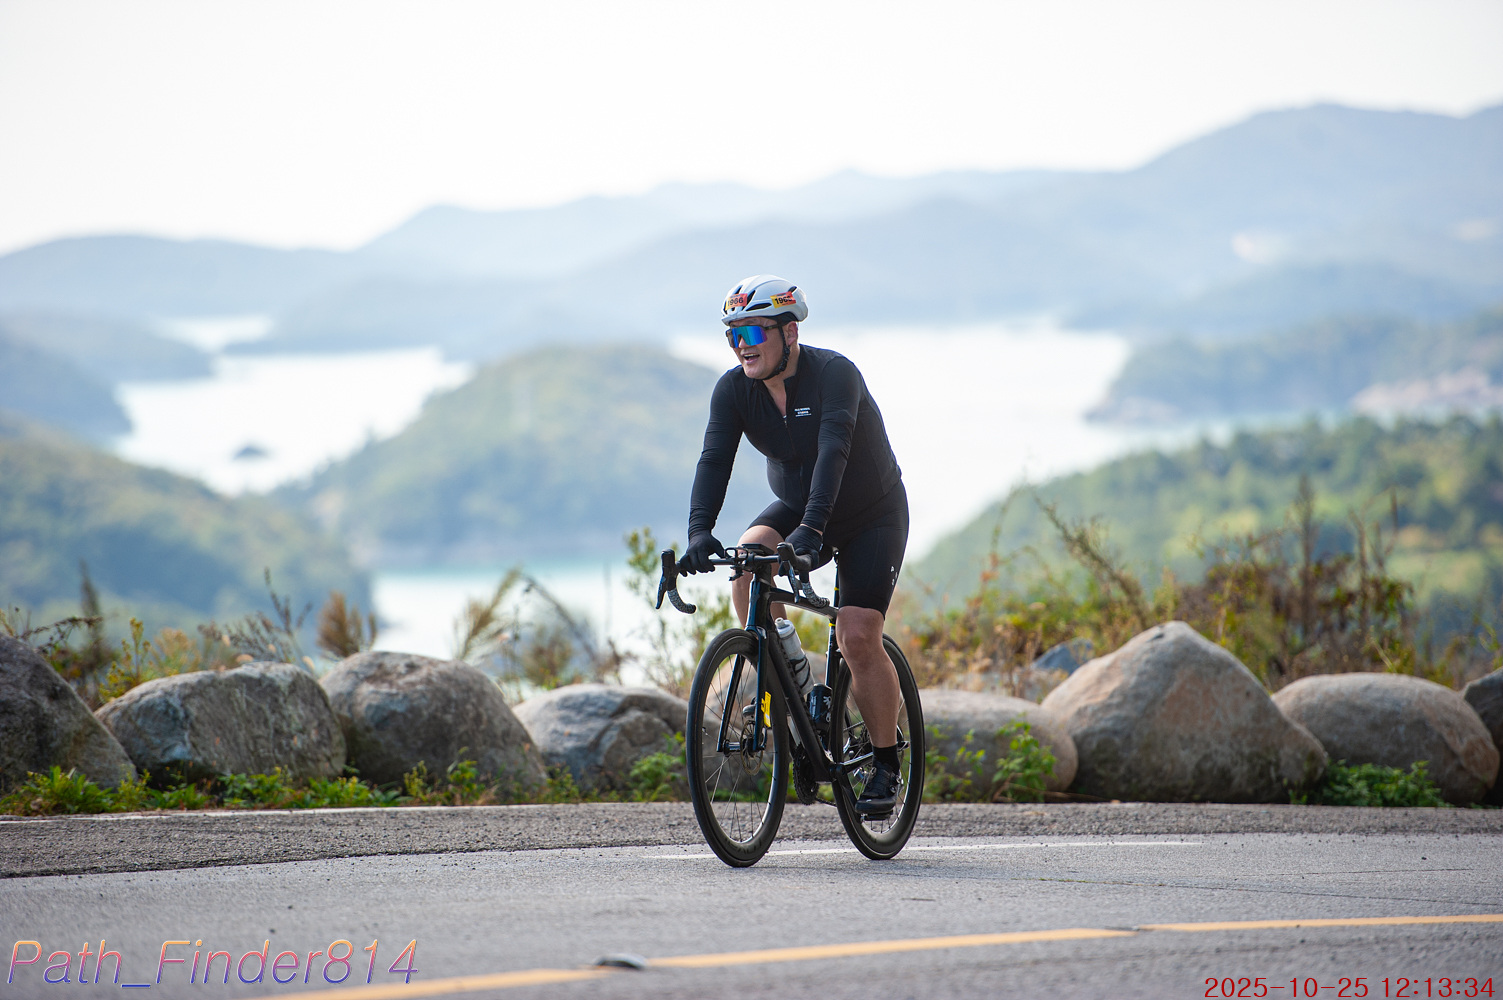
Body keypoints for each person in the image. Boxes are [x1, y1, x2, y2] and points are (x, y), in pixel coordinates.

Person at [678, 274, 909, 814]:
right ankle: (794, 680)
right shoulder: (734, 390)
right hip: (800, 507)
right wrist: (698, 531)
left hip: (870, 515)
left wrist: (813, 530)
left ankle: (885, 762)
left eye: (752, 333)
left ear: (790, 332)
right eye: (733, 335)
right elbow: (714, 459)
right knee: (747, 564)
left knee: (856, 634)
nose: (741, 346)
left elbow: (834, 451)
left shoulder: (835, 374)